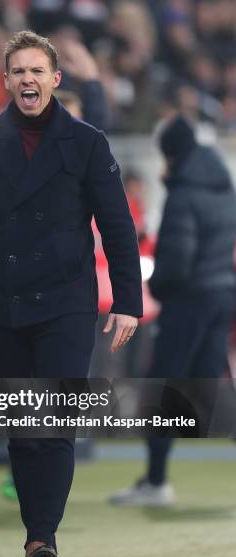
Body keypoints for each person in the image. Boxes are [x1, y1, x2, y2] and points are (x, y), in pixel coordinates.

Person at [0, 30, 142, 557]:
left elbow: (117, 227)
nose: (28, 80)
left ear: (56, 79)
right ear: (6, 81)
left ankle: (40, 542)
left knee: (51, 425)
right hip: (3, 302)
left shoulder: (87, 142)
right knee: (23, 430)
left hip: (67, 304)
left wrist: (128, 301)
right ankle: (39, 541)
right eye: (18, 71)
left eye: (37, 71)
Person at [109, 115, 236, 507]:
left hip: (188, 302)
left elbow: (177, 263)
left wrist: (156, 285)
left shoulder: (184, 194)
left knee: (161, 389)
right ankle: (155, 479)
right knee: (211, 388)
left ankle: (156, 481)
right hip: (221, 297)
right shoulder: (223, 188)